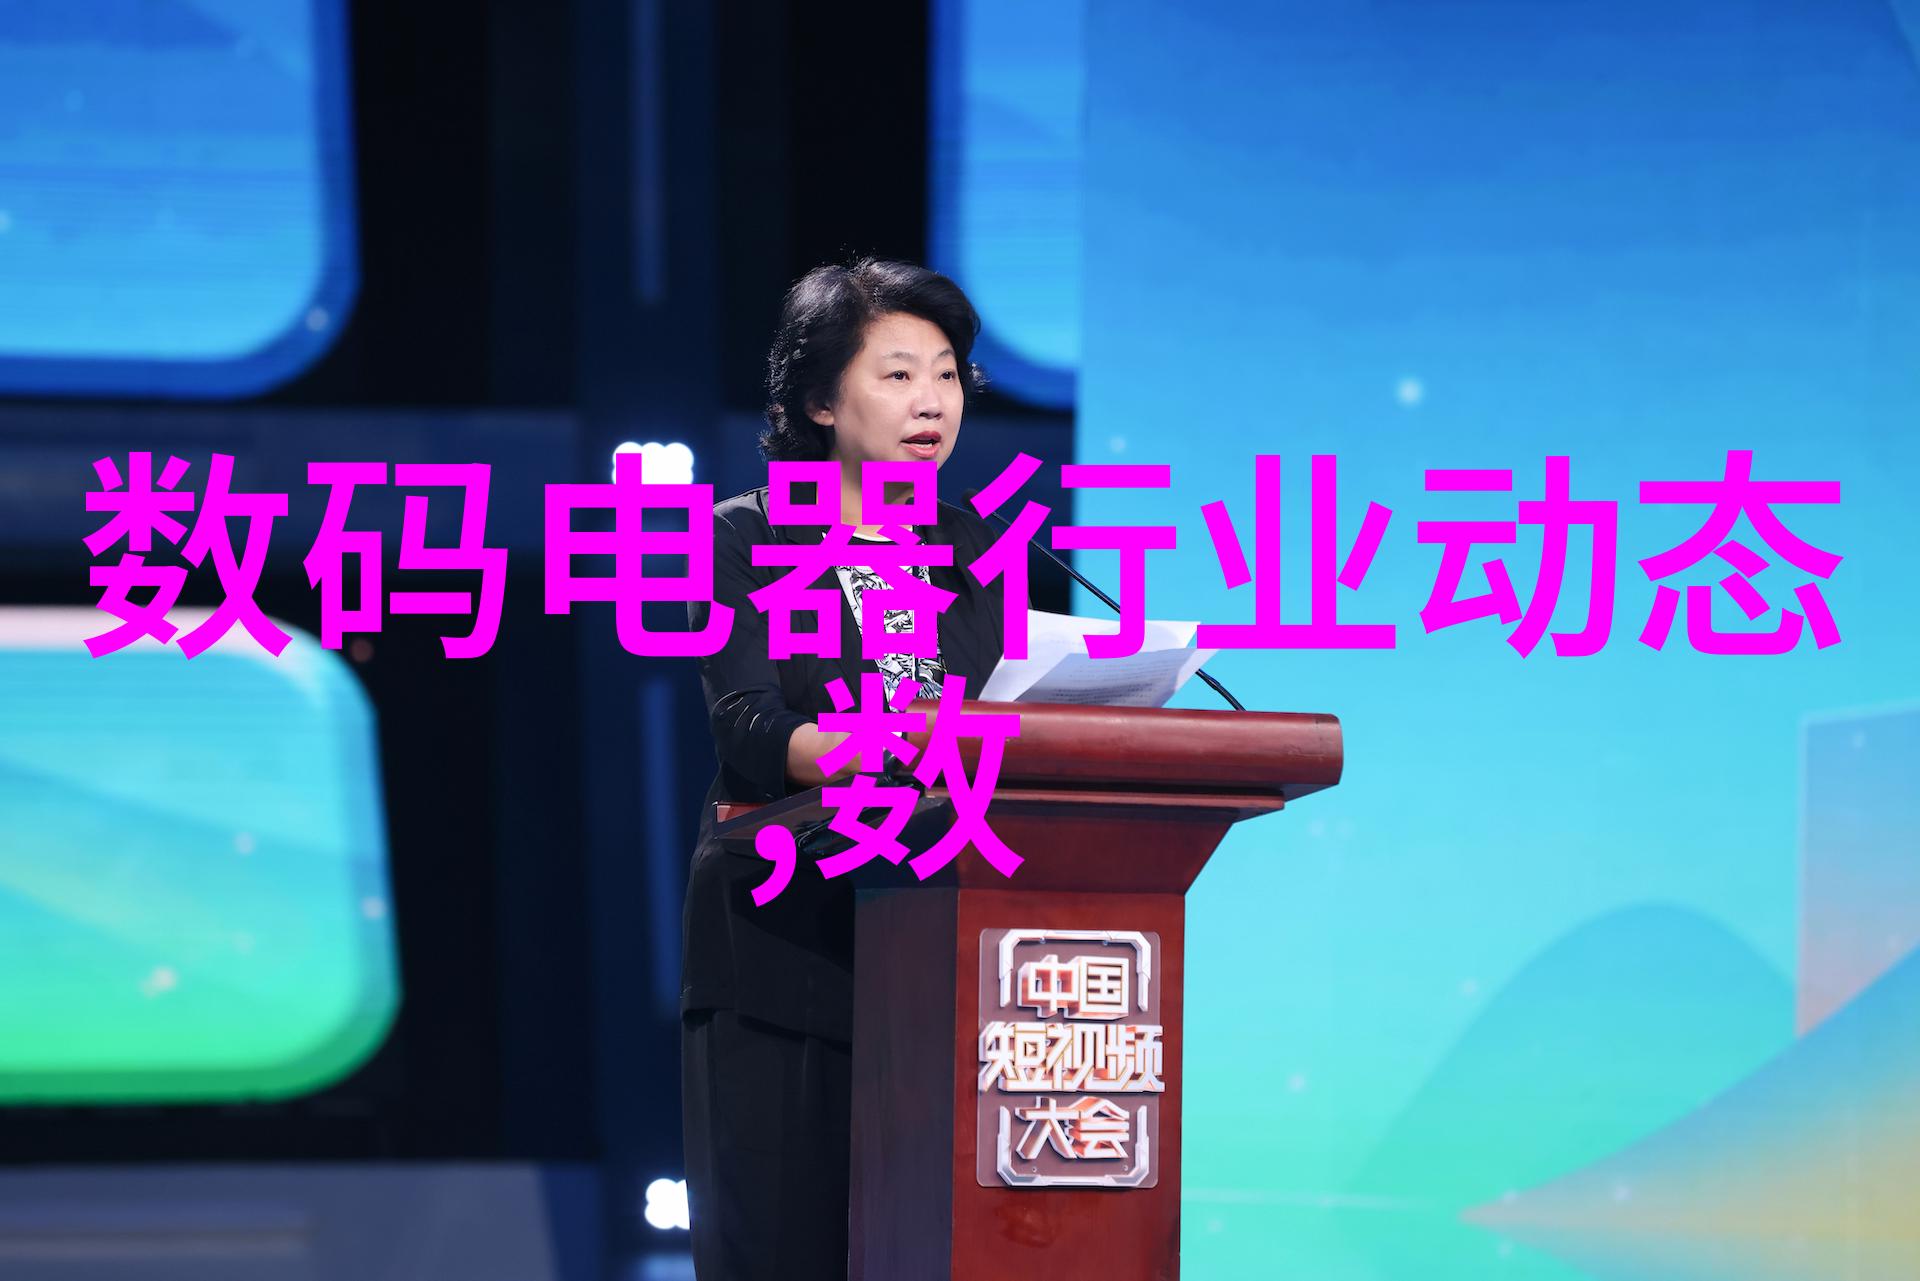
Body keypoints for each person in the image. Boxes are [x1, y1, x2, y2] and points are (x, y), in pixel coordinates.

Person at [679, 258, 1006, 1280]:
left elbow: (1007, 715)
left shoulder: (977, 547)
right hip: (784, 939)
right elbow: (749, 726)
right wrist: (902, 740)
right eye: (899, 375)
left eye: (947, 375)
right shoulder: (742, 534)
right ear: (820, 400)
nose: (932, 402)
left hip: (939, 945)